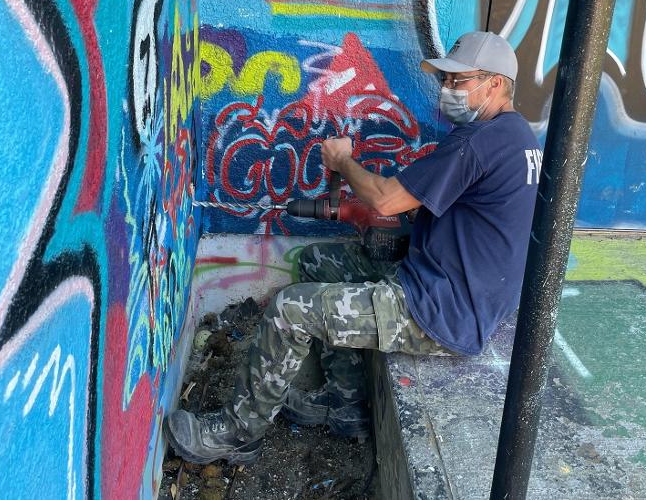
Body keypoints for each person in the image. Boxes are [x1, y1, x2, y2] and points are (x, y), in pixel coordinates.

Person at [164, 31, 542, 465]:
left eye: (459, 80)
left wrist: (343, 162)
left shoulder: (480, 141)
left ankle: (239, 431)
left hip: (439, 310)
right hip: (455, 289)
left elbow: (387, 199)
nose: (448, 89)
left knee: (289, 311)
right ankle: (345, 403)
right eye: (446, 79)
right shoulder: (515, 136)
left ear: (495, 83)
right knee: (317, 261)